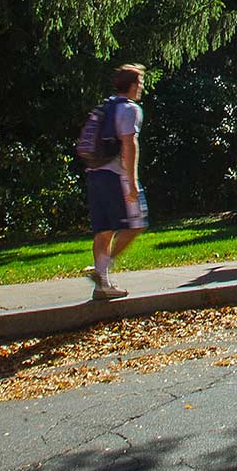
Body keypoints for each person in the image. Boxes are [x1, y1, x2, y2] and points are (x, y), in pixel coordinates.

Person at [83, 64, 148, 301]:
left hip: (95, 173)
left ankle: (103, 286)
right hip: (116, 176)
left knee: (103, 230)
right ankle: (101, 271)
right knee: (136, 224)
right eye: (140, 83)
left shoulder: (106, 106)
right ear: (132, 86)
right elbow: (129, 145)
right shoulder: (130, 109)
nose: (141, 88)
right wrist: (132, 182)